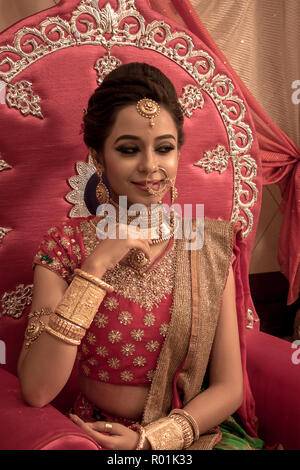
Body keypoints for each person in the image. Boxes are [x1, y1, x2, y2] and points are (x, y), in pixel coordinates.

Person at [17, 62, 265, 450]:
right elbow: (35, 389)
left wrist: (150, 442)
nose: (150, 166)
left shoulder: (206, 244)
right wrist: (95, 267)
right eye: (129, 149)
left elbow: (229, 387)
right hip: (91, 437)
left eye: (164, 148)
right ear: (99, 157)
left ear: (178, 154)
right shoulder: (65, 247)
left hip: (184, 436)